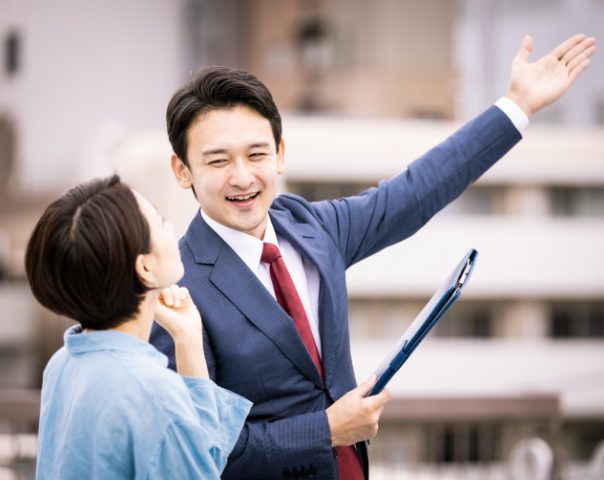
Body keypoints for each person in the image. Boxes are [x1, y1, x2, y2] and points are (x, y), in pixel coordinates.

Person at [150, 34, 596, 480]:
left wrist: (518, 105)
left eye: (256, 153)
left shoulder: (310, 226)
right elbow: (201, 452)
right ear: (182, 170)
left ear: (281, 154)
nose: (243, 176)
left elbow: (415, 191)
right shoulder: (177, 292)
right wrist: (325, 430)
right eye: (218, 161)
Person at [26, 174, 252, 479]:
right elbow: (203, 468)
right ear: (145, 267)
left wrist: (186, 336)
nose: (172, 229)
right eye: (161, 222)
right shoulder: (154, 393)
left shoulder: (63, 363)